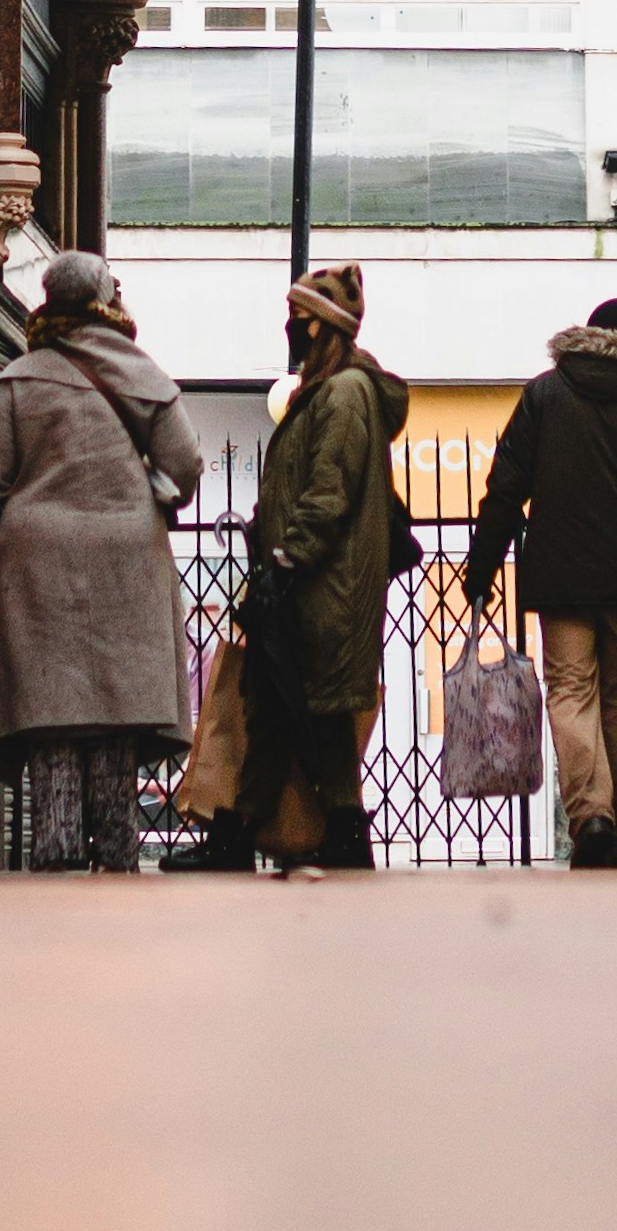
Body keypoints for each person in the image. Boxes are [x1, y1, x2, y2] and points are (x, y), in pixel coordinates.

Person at [0, 246, 204, 872]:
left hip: (36, 560)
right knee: (116, 716)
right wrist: (154, 501)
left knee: (52, 717)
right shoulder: (144, 376)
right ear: (108, 301)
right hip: (126, 557)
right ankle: (116, 851)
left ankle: (56, 850)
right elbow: (186, 461)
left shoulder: (19, 379)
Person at [466, 296, 617, 866]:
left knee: (571, 691)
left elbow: (505, 485)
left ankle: (590, 815)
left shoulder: (546, 393)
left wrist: (483, 566)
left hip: (561, 575)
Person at [236, 260, 402, 871]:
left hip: (324, 585)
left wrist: (284, 559)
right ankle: (337, 831)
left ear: (321, 328)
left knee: (291, 705)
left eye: (298, 319)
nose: (289, 328)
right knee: (298, 710)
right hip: (312, 581)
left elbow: (328, 490)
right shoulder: (326, 391)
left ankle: (244, 832)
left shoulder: (343, 395)